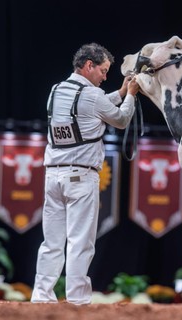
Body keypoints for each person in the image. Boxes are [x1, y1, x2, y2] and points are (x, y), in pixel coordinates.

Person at [31, 42, 140, 305]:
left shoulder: (56, 90)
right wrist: (131, 96)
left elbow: (92, 108)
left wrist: (119, 92)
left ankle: (41, 296)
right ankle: (78, 300)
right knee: (80, 241)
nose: (104, 76)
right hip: (81, 177)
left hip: (53, 176)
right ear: (89, 65)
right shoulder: (92, 96)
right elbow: (121, 120)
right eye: (102, 71)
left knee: (51, 242)